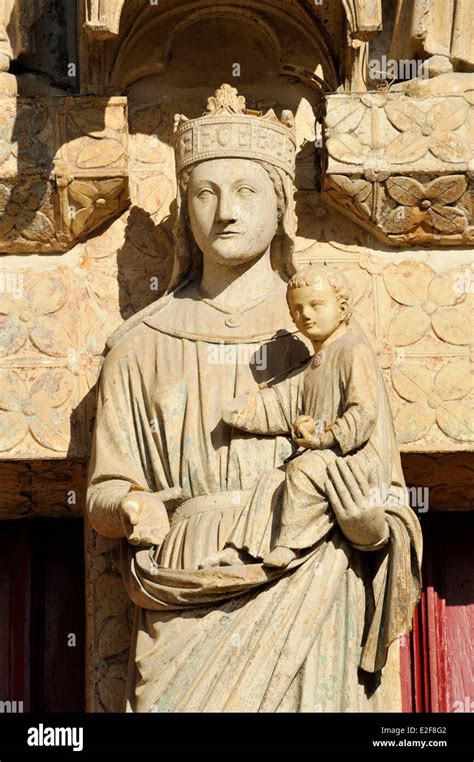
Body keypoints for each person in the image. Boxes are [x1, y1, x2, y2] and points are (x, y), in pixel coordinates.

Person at [86, 84, 422, 712]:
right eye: (205, 193)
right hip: (189, 568)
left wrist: (370, 525)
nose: (226, 213)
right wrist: (132, 507)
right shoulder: (138, 345)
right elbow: (106, 489)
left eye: (247, 191)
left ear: (281, 204)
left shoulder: (327, 340)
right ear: (186, 207)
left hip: (313, 571)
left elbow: (389, 496)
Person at [203, 264, 388, 570]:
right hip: (324, 456)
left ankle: (289, 545)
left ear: (342, 309)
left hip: (352, 460)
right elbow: (275, 406)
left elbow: (364, 412)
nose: (306, 315)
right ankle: (243, 550)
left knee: (302, 468)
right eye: (297, 309)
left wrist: (325, 437)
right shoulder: (312, 365)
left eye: (316, 305)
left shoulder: (353, 350)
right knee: (271, 480)